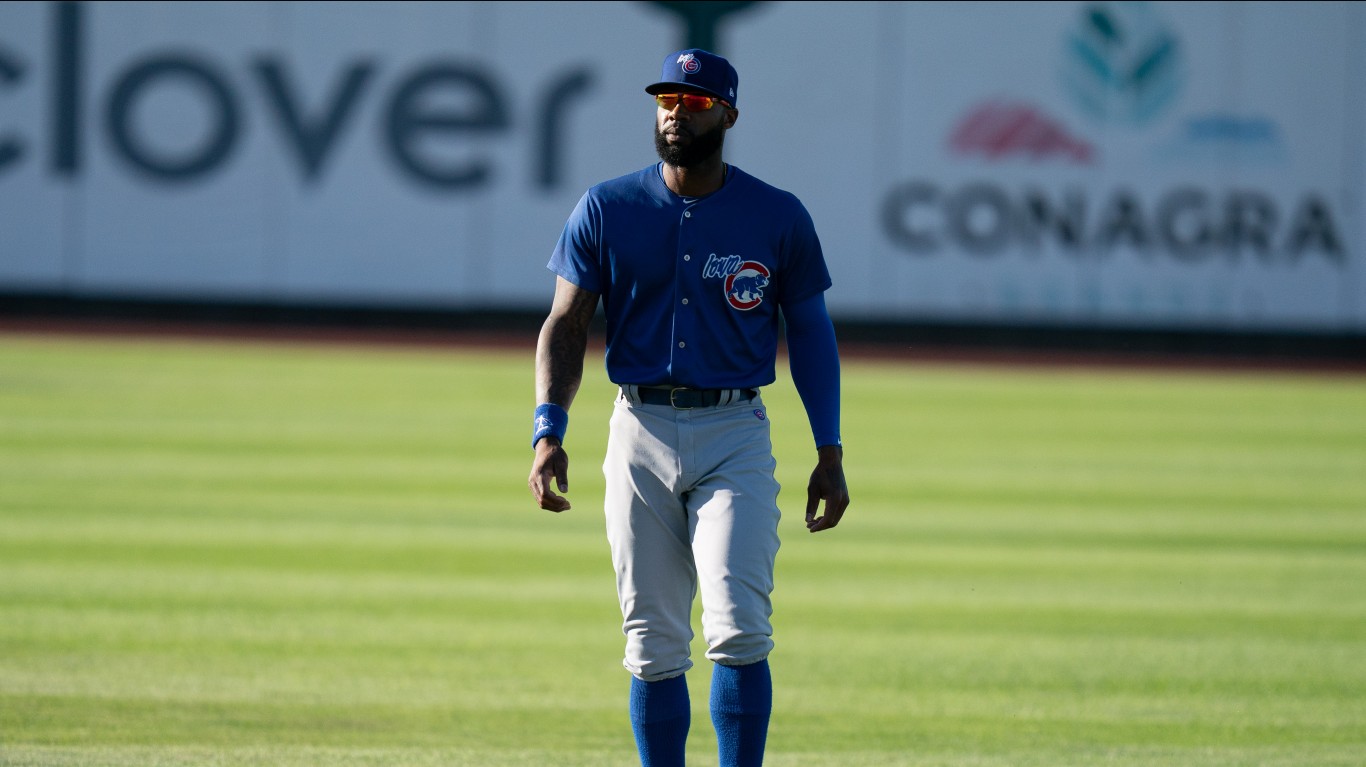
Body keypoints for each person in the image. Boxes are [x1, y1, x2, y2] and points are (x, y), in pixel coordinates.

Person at [527, 48, 850, 767]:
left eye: (696, 102)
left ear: (728, 114)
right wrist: (549, 430)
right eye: (667, 98)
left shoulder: (776, 215)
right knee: (652, 640)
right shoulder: (608, 206)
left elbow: (812, 333)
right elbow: (566, 324)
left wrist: (829, 449)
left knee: (737, 627)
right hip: (636, 425)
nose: (676, 110)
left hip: (734, 429)